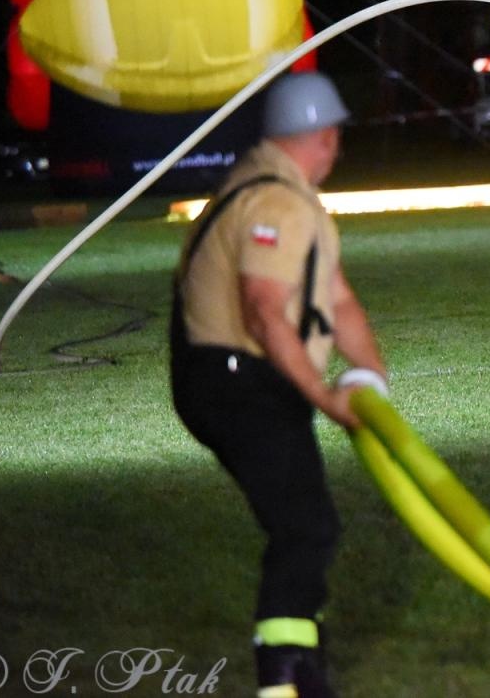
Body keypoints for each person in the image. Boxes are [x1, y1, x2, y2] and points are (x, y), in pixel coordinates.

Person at [170, 72, 388, 698]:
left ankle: (302, 666)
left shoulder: (268, 189)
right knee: (305, 528)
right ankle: (285, 677)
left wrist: (372, 377)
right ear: (324, 137)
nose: (337, 148)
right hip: (239, 383)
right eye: (336, 136)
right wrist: (325, 396)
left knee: (307, 522)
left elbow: (337, 299)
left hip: (236, 382)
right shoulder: (278, 203)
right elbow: (264, 311)